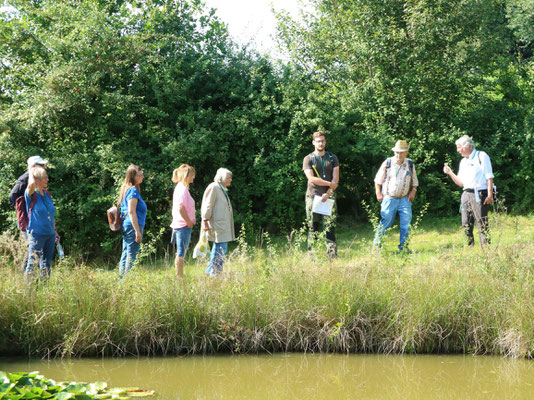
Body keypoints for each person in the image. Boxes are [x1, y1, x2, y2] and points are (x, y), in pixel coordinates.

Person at [443, 135, 494, 247]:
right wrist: (450, 172)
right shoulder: (463, 162)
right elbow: (461, 183)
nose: (457, 150)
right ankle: (469, 249)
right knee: (466, 224)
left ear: (467, 146)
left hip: (479, 194)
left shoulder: (482, 156)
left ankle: (487, 251)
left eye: (459, 147)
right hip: (466, 194)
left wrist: (490, 195)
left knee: (482, 223)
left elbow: (489, 176)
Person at [373, 140, 419, 252]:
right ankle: (377, 246)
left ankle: (403, 248)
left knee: (405, 224)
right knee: (386, 221)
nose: (399, 154)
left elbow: (415, 182)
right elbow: (377, 180)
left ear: (406, 152)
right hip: (389, 198)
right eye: (397, 152)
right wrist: (378, 193)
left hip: (404, 199)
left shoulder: (410, 164)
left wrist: (413, 191)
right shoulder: (388, 162)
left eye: (401, 152)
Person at [302, 130, 339, 259]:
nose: (321, 143)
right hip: (313, 197)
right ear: (313, 143)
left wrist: (328, 193)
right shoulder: (308, 159)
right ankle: (312, 257)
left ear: (325, 142)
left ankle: (332, 257)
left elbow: (336, 179)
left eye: (322, 141)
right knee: (313, 229)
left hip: (328, 198)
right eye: (318, 141)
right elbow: (311, 179)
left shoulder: (332, 158)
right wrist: (329, 184)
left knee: (329, 228)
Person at [9, 156, 49, 272]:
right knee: (31, 249)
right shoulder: (25, 178)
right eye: (41, 165)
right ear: (33, 166)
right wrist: (25, 208)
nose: (44, 167)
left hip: (36, 220)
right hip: (27, 221)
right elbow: (12, 196)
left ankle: (32, 276)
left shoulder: (39, 179)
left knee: (35, 250)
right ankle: (25, 276)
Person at [201, 168, 235, 276]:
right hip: (217, 225)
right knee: (221, 249)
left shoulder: (221, 188)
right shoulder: (214, 187)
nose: (231, 179)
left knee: (218, 248)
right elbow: (208, 205)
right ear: (221, 178)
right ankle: (215, 273)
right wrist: (205, 220)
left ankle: (210, 272)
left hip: (222, 224)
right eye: (229, 177)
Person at [24, 166, 57, 279]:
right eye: (45, 177)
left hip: (50, 235)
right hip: (36, 234)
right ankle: (28, 292)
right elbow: (31, 185)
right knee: (32, 264)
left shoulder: (47, 194)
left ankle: (44, 289)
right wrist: (31, 169)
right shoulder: (31, 194)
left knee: (46, 264)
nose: (47, 179)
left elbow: (51, 214)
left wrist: (55, 231)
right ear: (36, 179)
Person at [118, 165, 147, 277]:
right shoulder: (133, 190)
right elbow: (131, 211)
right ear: (132, 176)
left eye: (142, 174)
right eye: (140, 175)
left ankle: (121, 281)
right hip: (132, 226)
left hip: (128, 226)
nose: (142, 177)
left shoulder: (127, 189)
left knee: (125, 254)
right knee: (131, 255)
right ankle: (126, 283)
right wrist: (137, 231)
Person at [170, 164, 196, 278]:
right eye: (191, 175)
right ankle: (179, 276)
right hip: (183, 225)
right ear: (186, 175)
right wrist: (189, 221)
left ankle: (180, 275)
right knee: (181, 252)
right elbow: (181, 208)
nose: (193, 178)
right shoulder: (182, 189)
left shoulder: (181, 187)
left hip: (181, 224)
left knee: (181, 251)